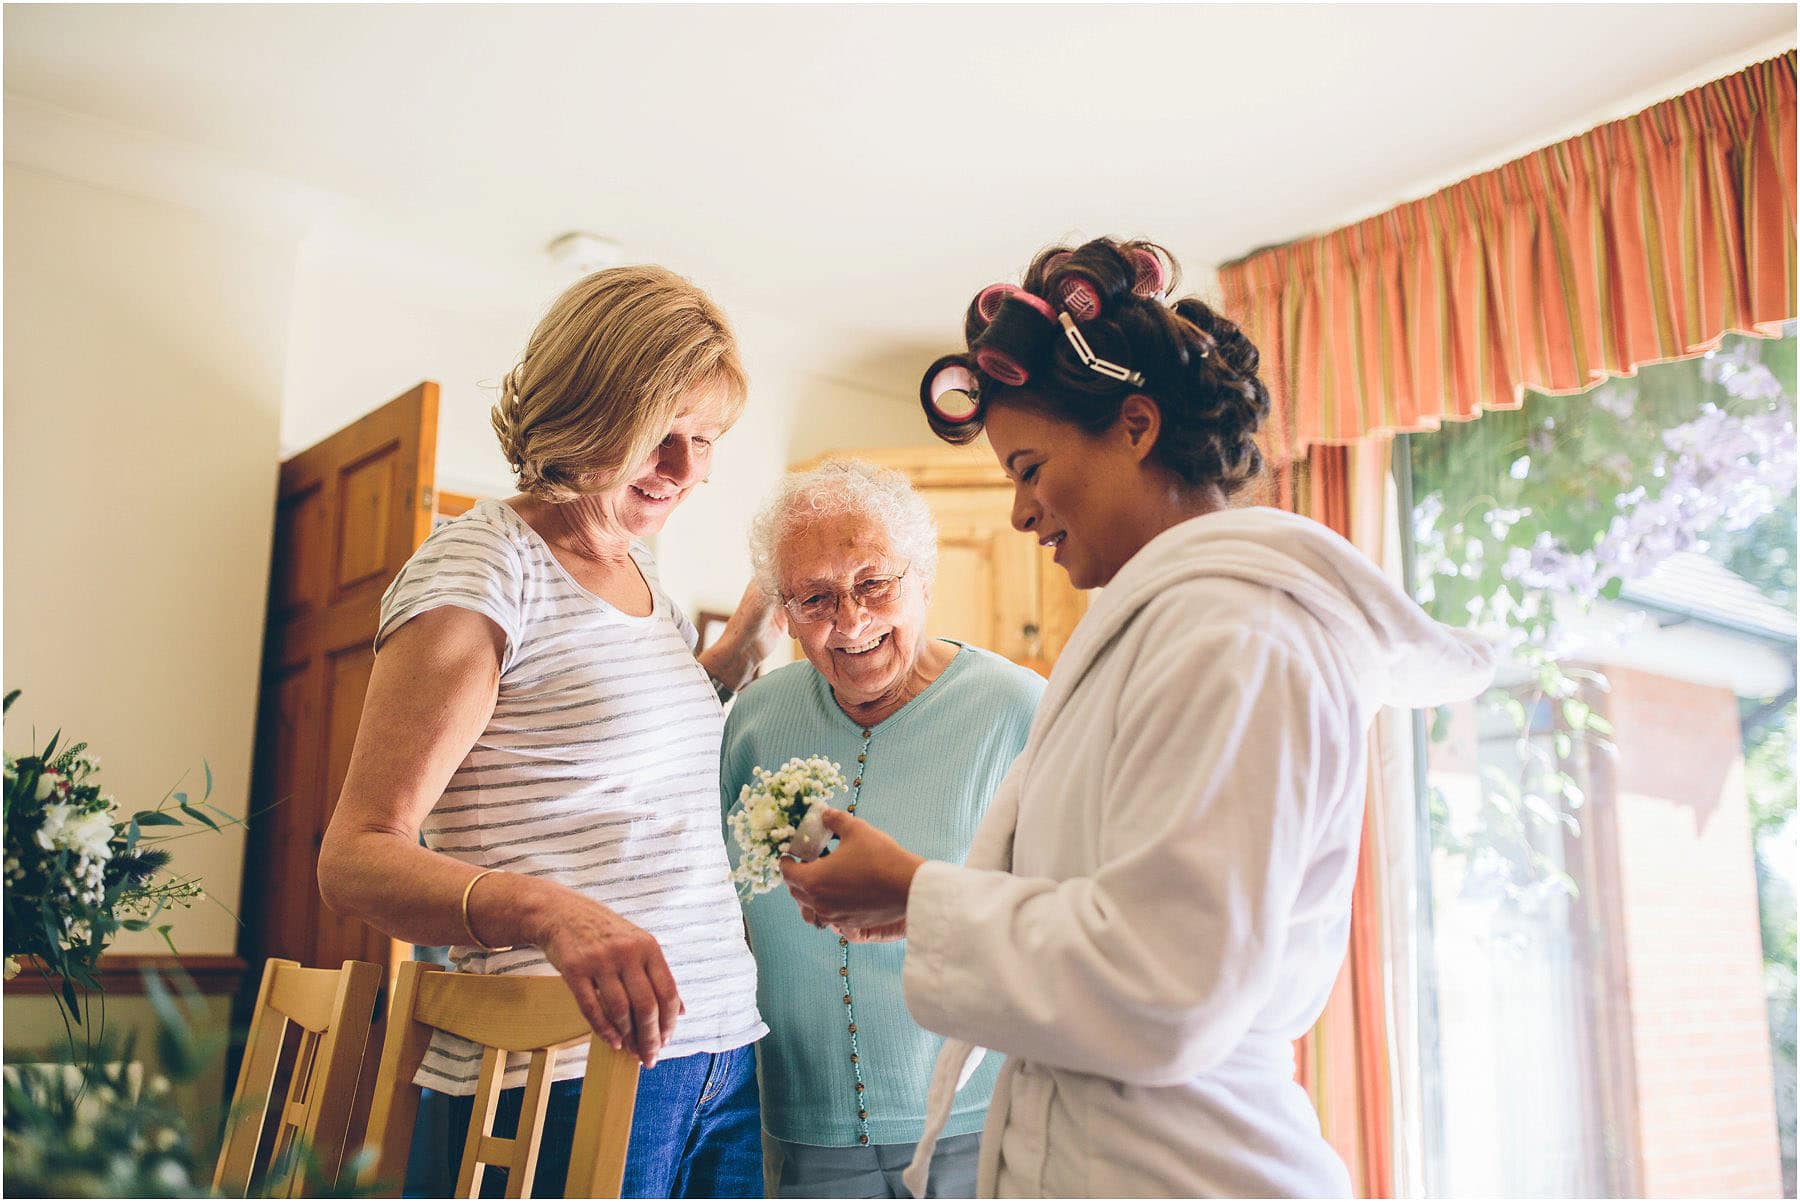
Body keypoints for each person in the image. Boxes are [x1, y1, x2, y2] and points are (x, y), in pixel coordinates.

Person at [781, 238, 1496, 1198]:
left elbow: (1167, 988)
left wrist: (919, 896)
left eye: (1031, 469)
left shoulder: (1237, 635)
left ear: (1135, 425)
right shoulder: (1158, 630)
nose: (1024, 515)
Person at [318, 264, 785, 1198]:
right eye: (662, 436)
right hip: (555, 1069)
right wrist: (551, 912)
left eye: (705, 440)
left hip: (723, 1053)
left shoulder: (641, 577)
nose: (686, 474)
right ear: (588, 412)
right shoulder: (483, 570)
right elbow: (356, 856)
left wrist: (742, 644)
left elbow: (598, 767)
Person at [722, 460, 1043, 1198]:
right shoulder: (753, 721)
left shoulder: (1019, 711)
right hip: (799, 1126)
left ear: (922, 579)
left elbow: (1066, 911)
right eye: (816, 597)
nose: (851, 621)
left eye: (874, 583)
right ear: (786, 609)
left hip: (976, 1119)